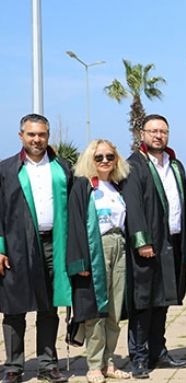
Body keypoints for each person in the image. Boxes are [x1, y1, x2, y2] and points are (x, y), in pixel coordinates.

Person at [0, 114, 72, 383]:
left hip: (54, 243)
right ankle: (13, 367)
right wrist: (0, 247)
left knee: (49, 307)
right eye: (31, 134)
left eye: (41, 134)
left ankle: (46, 364)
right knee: (14, 307)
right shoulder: (6, 170)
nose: (37, 139)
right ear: (21, 136)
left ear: (48, 136)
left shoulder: (62, 168)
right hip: (17, 247)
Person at [121, 114, 186, 379]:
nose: (158, 135)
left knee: (163, 300)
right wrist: (142, 241)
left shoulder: (176, 165)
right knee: (143, 302)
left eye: (163, 131)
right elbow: (133, 205)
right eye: (153, 131)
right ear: (142, 135)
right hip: (147, 245)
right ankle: (138, 357)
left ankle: (157, 351)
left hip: (172, 242)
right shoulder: (134, 165)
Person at [66, 140, 132, 383]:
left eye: (109, 156)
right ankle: (93, 365)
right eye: (99, 157)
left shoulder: (117, 186)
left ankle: (109, 362)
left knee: (114, 310)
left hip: (119, 247)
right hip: (96, 248)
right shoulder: (84, 187)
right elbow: (74, 224)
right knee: (96, 310)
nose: (105, 161)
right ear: (90, 160)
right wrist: (80, 262)